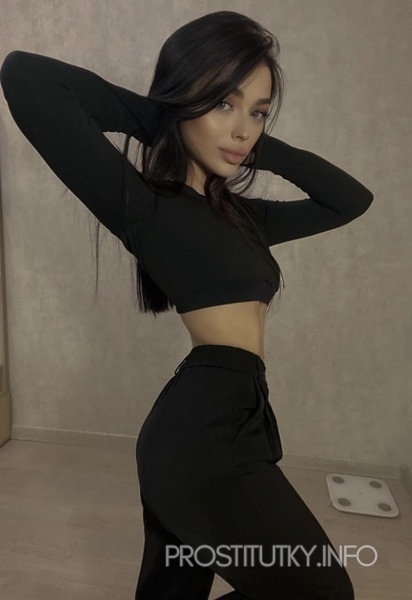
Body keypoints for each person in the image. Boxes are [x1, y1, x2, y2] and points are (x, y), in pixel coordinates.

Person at [0, 10, 373, 600]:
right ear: (184, 99)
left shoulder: (244, 217)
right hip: (201, 433)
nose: (243, 130)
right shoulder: (146, 206)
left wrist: (250, 139)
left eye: (258, 112)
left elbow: (350, 199)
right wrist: (168, 118)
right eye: (224, 103)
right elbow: (25, 75)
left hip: (229, 417)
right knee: (323, 593)